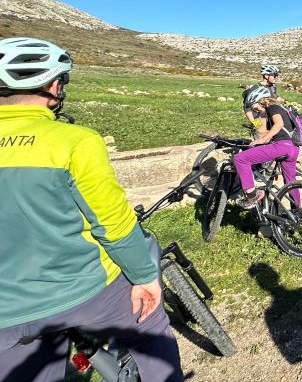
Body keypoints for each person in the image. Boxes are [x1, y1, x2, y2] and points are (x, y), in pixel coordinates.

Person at [0, 37, 183, 382]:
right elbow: (113, 223)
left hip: (6, 312)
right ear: (54, 84)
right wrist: (145, 278)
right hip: (85, 290)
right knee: (150, 326)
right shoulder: (74, 141)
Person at [233, 85, 301, 208]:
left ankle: (253, 195)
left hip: (282, 147)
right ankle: (297, 211)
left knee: (240, 159)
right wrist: (262, 140)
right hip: (293, 148)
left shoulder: (271, 107)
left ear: (260, 100)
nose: (256, 110)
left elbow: (278, 124)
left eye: (255, 107)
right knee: (291, 182)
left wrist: (263, 139)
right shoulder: (280, 108)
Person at [242, 64, 279, 129]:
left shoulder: (272, 86)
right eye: (274, 75)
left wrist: (287, 102)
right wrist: (254, 123)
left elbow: (275, 97)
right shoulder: (256, 89)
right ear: (266, 75)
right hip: (260, 119)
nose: (276, 77)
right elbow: (247, 107)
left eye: (277, 75)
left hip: (272, 117)